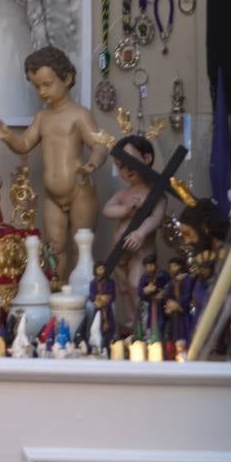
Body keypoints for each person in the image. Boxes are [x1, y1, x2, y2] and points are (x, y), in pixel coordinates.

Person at [0, 46, 107, 281]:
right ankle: (57, 295)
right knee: (54, 247)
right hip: (52, 195)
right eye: (36, 86)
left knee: (80, 248)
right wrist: (8, 136)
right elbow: (24, 144)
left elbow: (100, 145)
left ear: (67, 78)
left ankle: (85, 303)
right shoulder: (42, 118)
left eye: (47, 84)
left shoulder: (79, 115)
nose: (41, 91)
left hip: (79, 190)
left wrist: (91, 165)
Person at [102, 134, 166, 322]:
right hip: (119, 252)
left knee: (136, 284)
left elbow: (156, 218)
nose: (126, 169)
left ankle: (145, 323)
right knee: (122, 287)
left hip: (141, 251)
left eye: (131, 161)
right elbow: (107, 210)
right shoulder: (124, 194)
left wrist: (140, 233)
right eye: (121, 165)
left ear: (146, 159)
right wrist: (126, 210)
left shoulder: (155, 194)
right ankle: (132, 320)